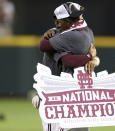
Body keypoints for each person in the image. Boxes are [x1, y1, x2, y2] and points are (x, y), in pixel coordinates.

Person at [32, 2, 100, 131]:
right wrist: (93, 58)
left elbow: (63, 58)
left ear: (66, 21)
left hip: (56, 95)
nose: (80, 17)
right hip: (79, 95)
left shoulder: (69, 36)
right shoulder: (88, 31)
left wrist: (90, 58)